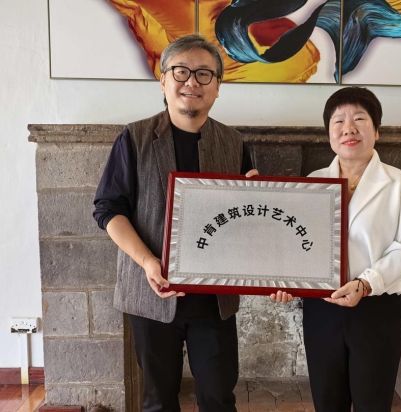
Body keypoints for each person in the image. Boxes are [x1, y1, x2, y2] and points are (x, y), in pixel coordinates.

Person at [93, 34, 257, 412]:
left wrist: (257, 201)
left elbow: (244, 221)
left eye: (204, 74)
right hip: (151, 293)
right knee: (158, 400)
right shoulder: (134, 138)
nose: (191, 82)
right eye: (181, 71)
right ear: (163, 80)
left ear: (218, 86)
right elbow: (108, 210)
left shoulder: (233, 143)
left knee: (219, 398)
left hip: (215, 300)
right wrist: (148, 262)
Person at [271, 87, 401, 412]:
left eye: (359, 119)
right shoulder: (313, 182)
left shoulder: (399, 185)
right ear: (329, 134)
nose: (348, 128)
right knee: (328, 401)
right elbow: (298, 244)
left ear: (376, 131)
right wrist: (286, 282)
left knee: (372, 403)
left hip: (376, 308)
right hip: (322, 309)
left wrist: (365, 283)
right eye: (338, 121)